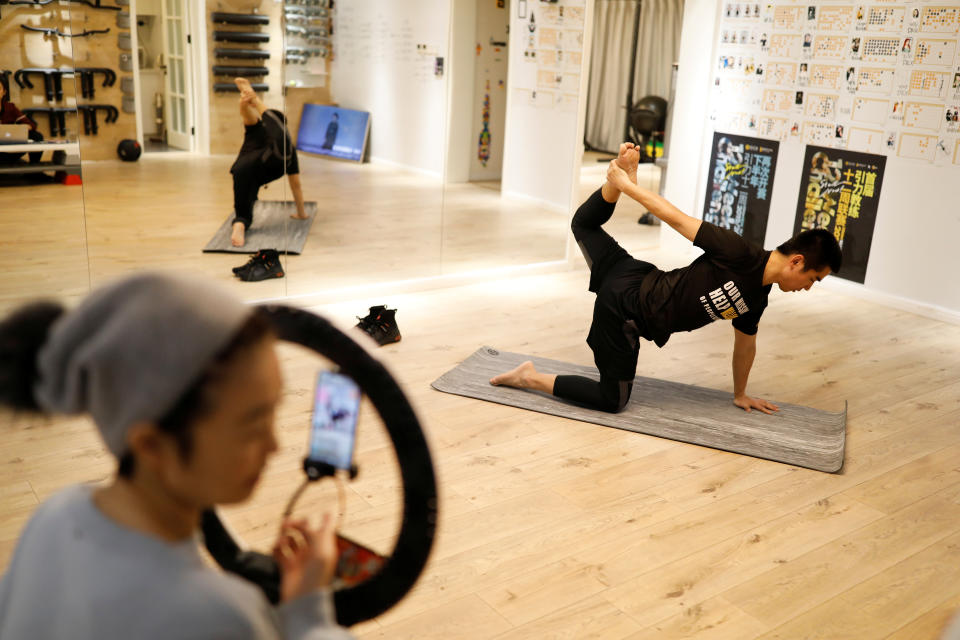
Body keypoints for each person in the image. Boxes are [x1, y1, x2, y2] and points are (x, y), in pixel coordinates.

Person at [0, 272, 354, 639]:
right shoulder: (220, 618)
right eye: (252, 426)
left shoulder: (53, 516)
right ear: (152, 445)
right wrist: (308, 613)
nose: (275, 445)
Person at [490, 143, 842, 414]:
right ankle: (529, 377)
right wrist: (627, 187)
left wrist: (739, 394)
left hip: (634, 274)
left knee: (584, 225)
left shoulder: (758, 296)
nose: (808, 288)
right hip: (627, 309)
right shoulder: (739, 253)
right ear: (797, 262)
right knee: (612, 400)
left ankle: (612, 185)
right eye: (814, 278)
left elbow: (745, 344)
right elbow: (675, 219)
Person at [231, 77, 308, 248]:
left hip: (242, 170)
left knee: (243, 209)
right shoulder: (287, 147)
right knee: (283, 144)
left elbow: (245, 113)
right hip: (268, 166)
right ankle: (240, 224)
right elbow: (295, 184)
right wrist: (301, 213)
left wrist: (245, 100)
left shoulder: (255, 129)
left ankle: (239, 225)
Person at [0, 75, 44, 165]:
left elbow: (31, 125)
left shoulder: (10, 107)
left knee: (36, 136)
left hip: (8, 145)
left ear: (4, 92)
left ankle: (34, 168)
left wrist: (19, 129)